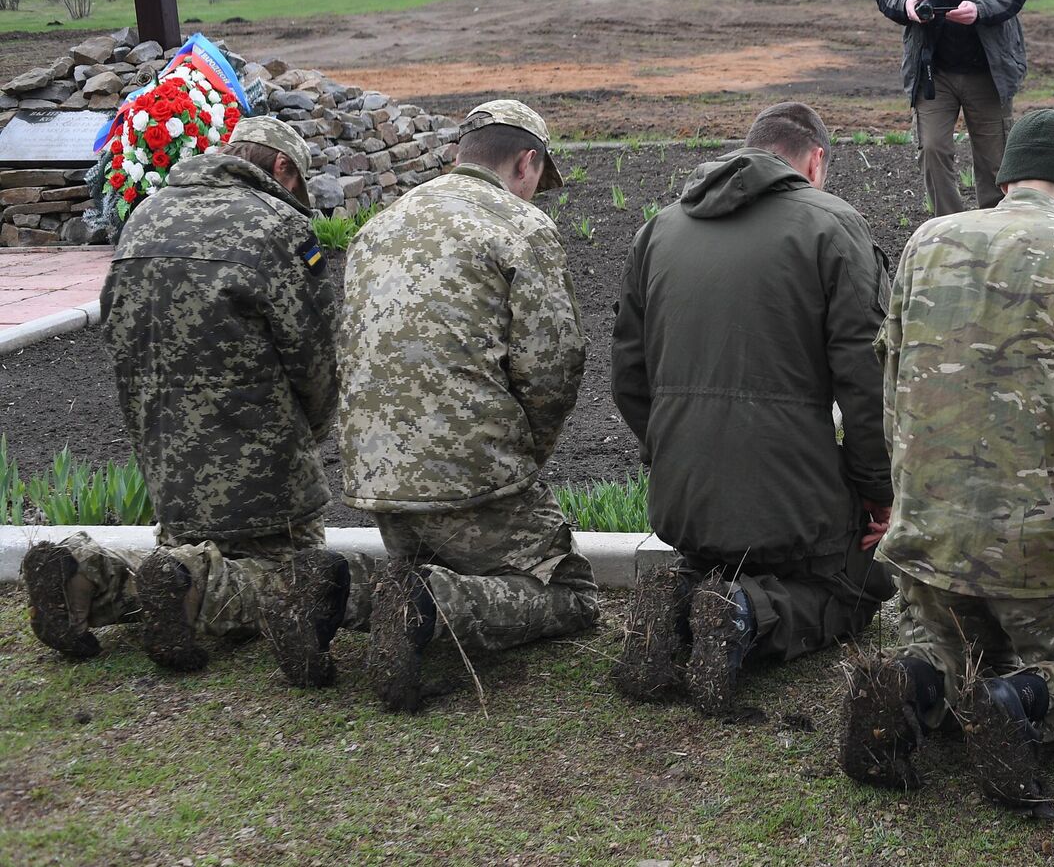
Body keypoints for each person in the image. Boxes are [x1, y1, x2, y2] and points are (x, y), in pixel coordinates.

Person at [838, 108, 1054, 822]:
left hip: (930, 541)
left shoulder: (928, 240)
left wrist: (907, 502)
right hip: (1040, 548)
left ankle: (910, 680)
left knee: (960, 659)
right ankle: (1023, 704)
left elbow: (892, 388)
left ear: (1006, 176)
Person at [21, 117, 371, 682]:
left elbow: (114, 327)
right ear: (282, 168)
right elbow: (316, 357)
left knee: (177, 565)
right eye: (298, 184)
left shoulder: (146, 215)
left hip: (167, 461)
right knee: (288, 577)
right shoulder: (278, 225)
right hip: (262, 462)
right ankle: (192, 586)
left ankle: (84, 576)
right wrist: (312, 434)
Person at [608, 102, 895, 717]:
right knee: (859, 585)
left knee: (724, 558)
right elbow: (867, 382)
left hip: (684, 497)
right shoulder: (834, 226)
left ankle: (684, 597)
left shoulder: (659, 228)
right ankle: (742, 614)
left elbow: (628, 374)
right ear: (816, 160)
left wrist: (670, 447)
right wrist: (879, 490)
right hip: (790, 502)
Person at [337, 99, 598, 714]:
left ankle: (336, 592)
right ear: (527, 162)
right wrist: (522, 455)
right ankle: (425, 606)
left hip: (377, 479)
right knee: (572, 593)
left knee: (430, 556)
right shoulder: (520, 227)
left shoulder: (379, 226)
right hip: (472, 477)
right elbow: (555, 367)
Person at [876, 0, 1031, 216]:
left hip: (988, 70)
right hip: (934, 72)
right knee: (932, 149)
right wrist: (906, 4)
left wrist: (979, 9)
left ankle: (994, 228)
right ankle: (949, 227)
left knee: (995, 160)